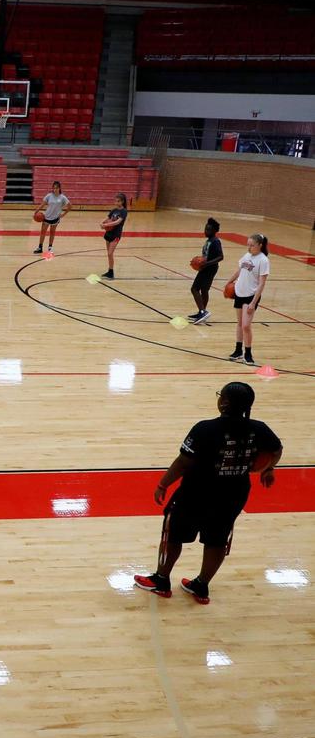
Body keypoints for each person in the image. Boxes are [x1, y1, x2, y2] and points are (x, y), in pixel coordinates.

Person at [134, 382, 282, 604]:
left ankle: (162, 580)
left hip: (197, 492)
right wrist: (269, 468)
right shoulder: (260, 428)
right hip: (234, 494)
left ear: (224, 402)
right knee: (217, 540)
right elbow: (277, 450)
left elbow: (184, 461)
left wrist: (163, 484)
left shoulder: (205, 428)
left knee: (174, 534)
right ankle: (201, 586)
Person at [226, 233, 270, 366]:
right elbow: (239, 271)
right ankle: (238, 350)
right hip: (239, 292)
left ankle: (248, 353)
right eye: (248, 245)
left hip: (251, 296)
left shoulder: (263, 260)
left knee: (246, 325)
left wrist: (253, 302)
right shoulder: (246, 256)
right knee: (240, 323)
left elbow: (262, 283)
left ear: (260, 245)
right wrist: (228, 282)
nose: (249, 247)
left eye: (252, 245)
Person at [188, 217, 224, 324]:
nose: (206, 231)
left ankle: (202, 311)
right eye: (205, 229)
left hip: (209, 268)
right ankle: (202, 313)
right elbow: (207, 255)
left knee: (194, 289)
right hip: (207, 268)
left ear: (214, 231)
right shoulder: (209, 241)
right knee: (204, 290)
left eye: (208, 230)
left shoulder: (216, 241)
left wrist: (205, 264)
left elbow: (221, 257)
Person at [34, 181, 70, 254]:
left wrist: (63, 214)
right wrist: (37, 211)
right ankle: (40, 247)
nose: (55, 189)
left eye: (56, 188)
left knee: (52, 233)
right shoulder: (49, 196)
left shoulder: (63, 197)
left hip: (55, 218)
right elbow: (42, 204)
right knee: (43, 232)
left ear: (59, 188)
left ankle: (50, 248)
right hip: (46, 217)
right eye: (54, 188)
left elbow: (70, 206)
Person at [100, 193, 128, 280]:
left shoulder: (124, 211)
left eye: (118, 201)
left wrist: (107, 224)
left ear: (122, 202)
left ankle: (111, 273)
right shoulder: (113, 210)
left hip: (116, 234)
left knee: (110, 253)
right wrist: (101, 223)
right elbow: (107, 218)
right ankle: (110, 271)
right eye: (115, 201)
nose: (116, 202)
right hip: (109, 233)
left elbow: (117, 222)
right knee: (109, 254)